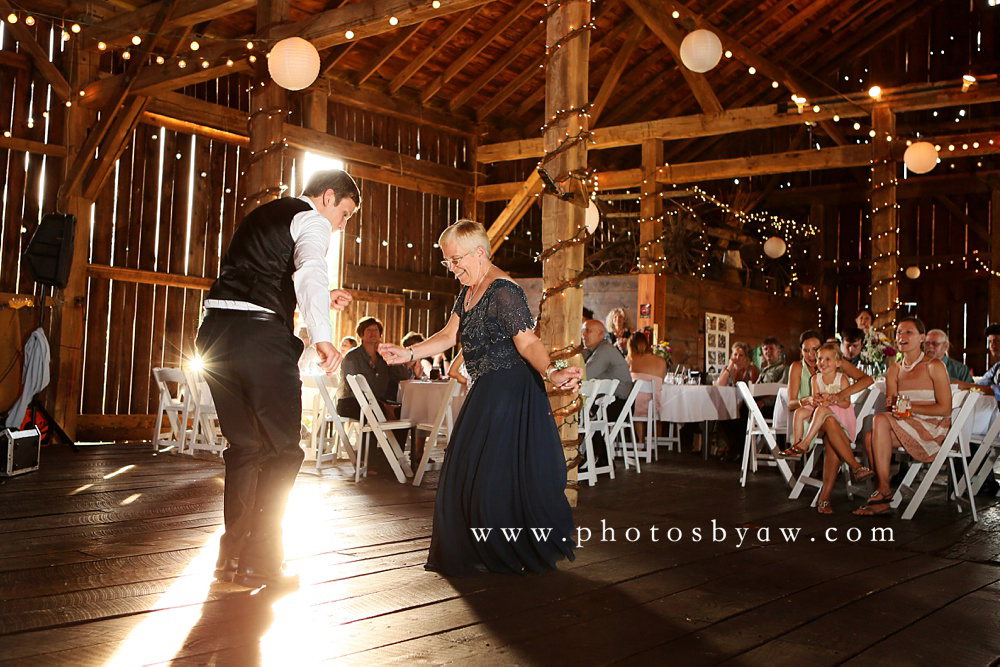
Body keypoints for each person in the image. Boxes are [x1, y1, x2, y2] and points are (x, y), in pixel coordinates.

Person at [379, 219, 579, 576]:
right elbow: (447, 334)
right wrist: (408, 354)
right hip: (486, 389)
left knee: (494, 474)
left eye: (455, 260)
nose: (452, 268)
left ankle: (505, 549)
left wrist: (552, 372)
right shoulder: (468, 290)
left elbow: (528, 341)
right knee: (465, 470)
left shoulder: (503, 290)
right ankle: (478, 548)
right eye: (447, 262)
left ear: (480, 253)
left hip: (511, 391)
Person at [196, 169, 359, 590]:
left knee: (246, 447)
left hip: (215, 336)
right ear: (327, 197)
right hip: (260, 342)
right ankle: (261, 562)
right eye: (344, 214)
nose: (341, 225)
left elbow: (259, 278)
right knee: (283, 451)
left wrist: (321, 301)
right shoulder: (312, 221)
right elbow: (308, 271)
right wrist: (323, 337)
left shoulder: (263, 216)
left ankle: (231, 558)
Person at [855, 317, 952, 516]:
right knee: (868, 436)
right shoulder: (894, 370)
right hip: (907, 423)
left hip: (931, 427)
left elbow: (945, 409)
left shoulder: (934, 366)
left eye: (908, 332)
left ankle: (883, 491)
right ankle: (883, 493)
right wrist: (898, 408)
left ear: (922, 338)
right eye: (899, 332)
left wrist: (910, 407)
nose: (902, 336)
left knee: (879, 421)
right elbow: (892, 405)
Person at [582, 319, 634, 467]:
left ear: (600, 333)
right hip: (607, 403)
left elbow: (584, 374)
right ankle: (598, 457)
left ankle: (591, 457)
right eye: (583, 331)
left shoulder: (604, 351)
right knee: (583, 413)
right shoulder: (592, 350)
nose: (583, 335)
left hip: (619, 405)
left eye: (587, 331)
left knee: (582, 414)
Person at [337, 317, 400, 421]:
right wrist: (382, 405)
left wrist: (393, 355)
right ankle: (377, 437)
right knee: (378, 410)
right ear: (361, 334)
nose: (373, 333)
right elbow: (353, 388)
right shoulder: (352, 357)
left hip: (378, 402)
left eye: (376, 330)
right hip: (351, 402)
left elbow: (401, 376)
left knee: (401, 411)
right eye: (368, 330)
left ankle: (394, 438)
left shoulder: (383, 357)